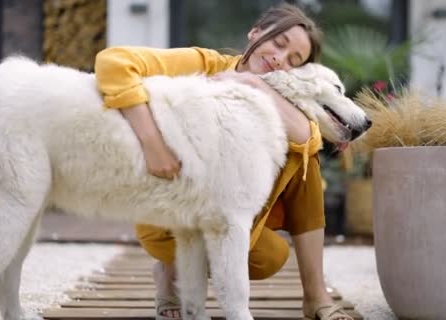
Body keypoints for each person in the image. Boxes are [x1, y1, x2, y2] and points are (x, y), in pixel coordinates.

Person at [94, 3, 352, 320]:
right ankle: (168, 275)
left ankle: (316, 297)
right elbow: (113, 61)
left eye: (292, 61)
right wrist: (153, 144)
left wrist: (255, 85)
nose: (278, 59)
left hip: (228, 222)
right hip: (166, 215)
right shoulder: (204, 65)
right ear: (255, 32)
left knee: (276, 244)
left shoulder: (283, 99)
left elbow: (308, 140)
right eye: (278, 43)